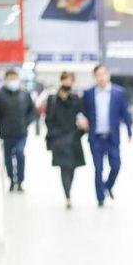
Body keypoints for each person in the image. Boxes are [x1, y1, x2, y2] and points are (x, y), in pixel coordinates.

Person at [82, 65, 132, 206]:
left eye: (103, 74)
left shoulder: (119, 92)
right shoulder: (89, 93)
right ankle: (100, 197)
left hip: (112, 137)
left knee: (116, 166)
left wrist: (129, 131)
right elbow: (82, 110)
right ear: (94, 77)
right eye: (98, 75)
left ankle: (107, 186)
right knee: (98, 168)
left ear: (108, 75)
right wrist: (81, 118)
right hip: (96, 137)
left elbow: (125, 112)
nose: (101, 77)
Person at [0, 69, 36, 192]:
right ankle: (11, 179)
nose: (13, 81)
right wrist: (0, 122)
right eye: (10, 78)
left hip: (21, 132)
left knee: (20, 154)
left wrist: (26, 122)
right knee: (8, 157)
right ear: (6, 80)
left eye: (15, 78)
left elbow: (32, 111)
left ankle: (20, 181)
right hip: (6, 133)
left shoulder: (25, 94)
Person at [45, 72, 87, 209]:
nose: (67, 83)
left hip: (73, 138)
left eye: (70, 80)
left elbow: (81, 115)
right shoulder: (52, 99)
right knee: (64, 167)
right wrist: (52, 135)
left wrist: (81, 130)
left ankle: (68, 191)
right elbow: (48, 119)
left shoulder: (75, 99)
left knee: (72, 167)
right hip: (59, 139)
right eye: (65, 80)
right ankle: (67, 195)